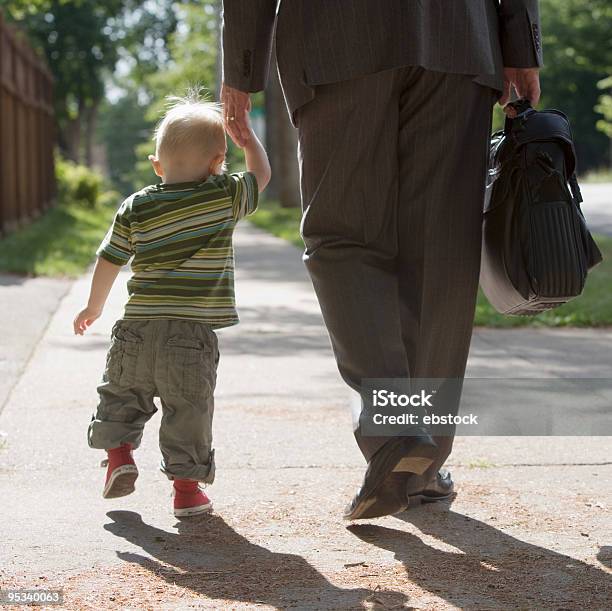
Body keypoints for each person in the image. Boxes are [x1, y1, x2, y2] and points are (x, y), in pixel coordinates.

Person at [221, 0, 542, 520]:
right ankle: (422, 462)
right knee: (440, 252)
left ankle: (399, 436)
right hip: (457, 35)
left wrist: (240, 67)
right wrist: (521, 44)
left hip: (338, 38)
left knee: (343, 238)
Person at [73, 91, 271, 517]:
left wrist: (93, 307)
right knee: (188, 412)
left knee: (122, 395)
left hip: (136, 329)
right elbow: (262, 175)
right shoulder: (222, 196)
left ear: (157, 166)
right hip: (190, 335)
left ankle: (120, 456)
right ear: (218, 162)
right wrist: (249, 141)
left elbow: (110, 258)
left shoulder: (136, 205)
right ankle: (186, 492)